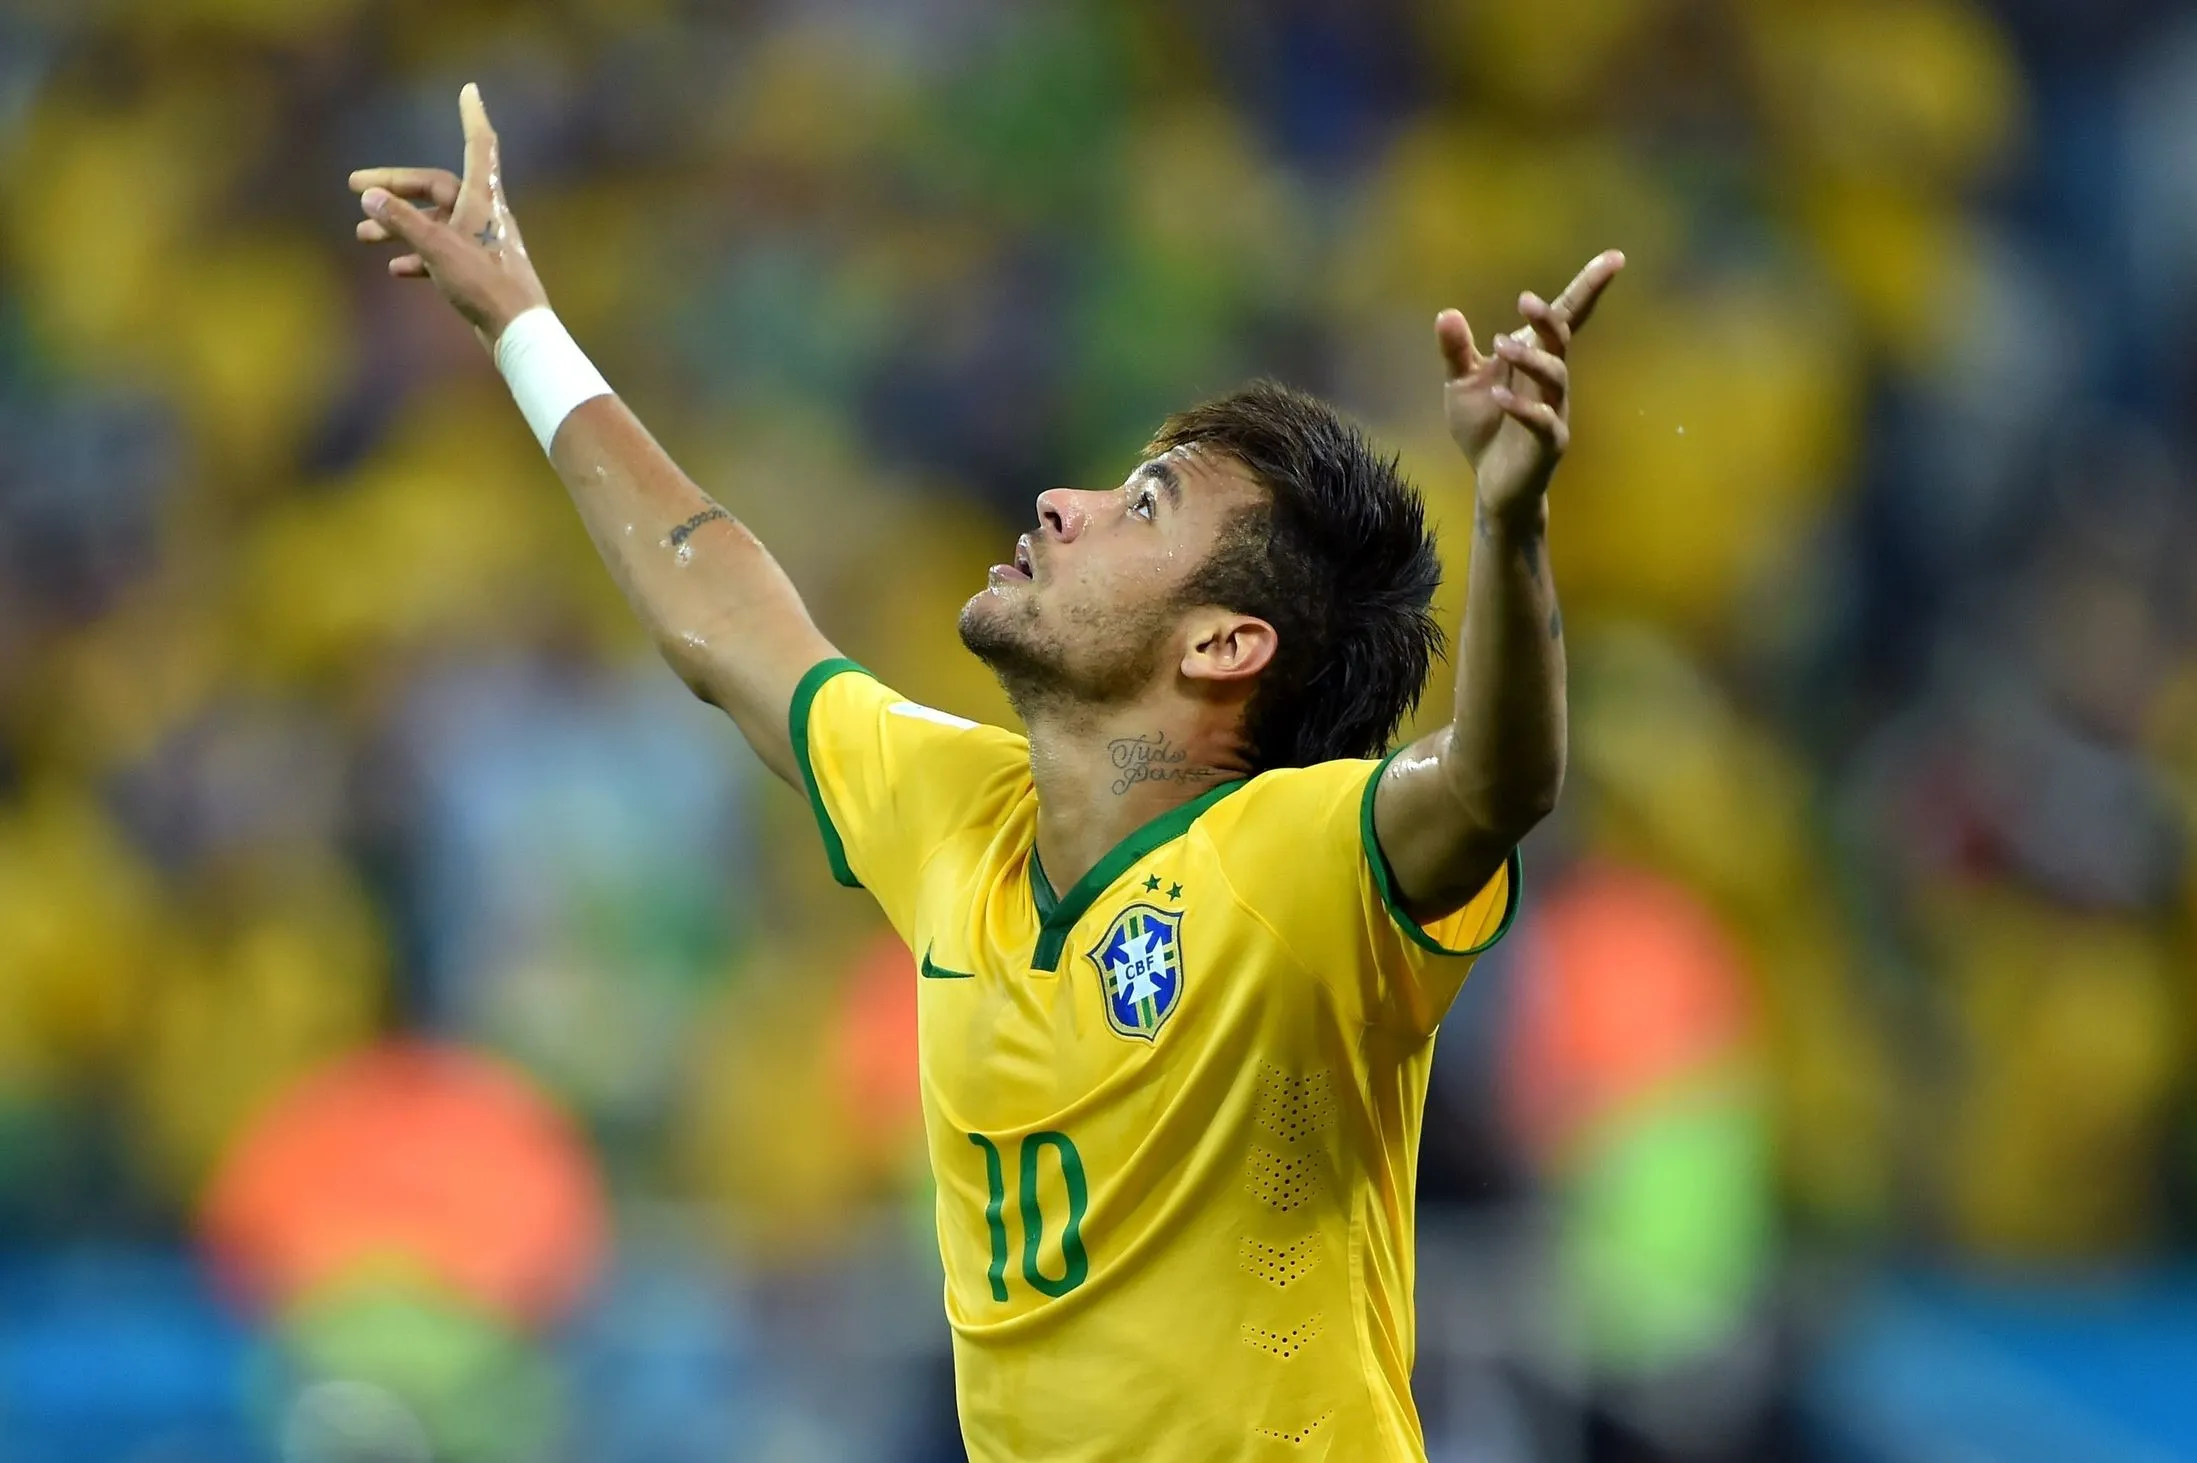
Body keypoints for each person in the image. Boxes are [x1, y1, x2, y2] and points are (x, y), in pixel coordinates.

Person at [350, 84, 1622, 1462]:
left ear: (1226, 642)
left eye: (1146, 505)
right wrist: (522, 325)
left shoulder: (1300, 866)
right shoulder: (960, 820)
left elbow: (1496, 785)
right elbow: (721, 615)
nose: (1061, 503)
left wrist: (1511, 521)